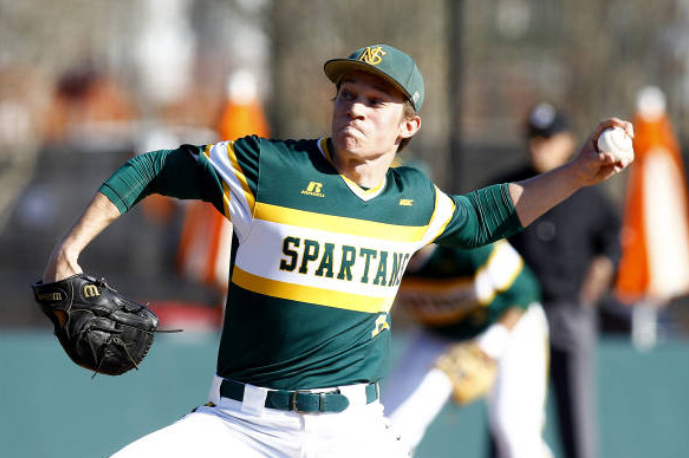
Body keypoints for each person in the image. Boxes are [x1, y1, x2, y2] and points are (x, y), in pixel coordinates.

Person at [40, 45, 633, 457]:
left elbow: (486, 213)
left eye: (376, 101)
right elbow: (155, 167)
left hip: (353, 434)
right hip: (239, 425)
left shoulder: (412, 199)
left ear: (408, 125)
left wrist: (580, 172)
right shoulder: (268, 168)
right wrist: (69, 250)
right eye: (347, 93)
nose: (355, 106)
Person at [491, 103, 623, 458]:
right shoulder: (508, 187)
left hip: (568, 310)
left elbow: (613, 239)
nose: (538, 146)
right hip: (517, 313)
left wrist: (604, 267)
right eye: (534, 138)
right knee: (509, 415)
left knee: (575, 413)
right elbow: (480, 238)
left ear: (566, 142)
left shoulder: (591, 194)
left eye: (547, 138)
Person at [383, 240, 552, 457]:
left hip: (508, 324)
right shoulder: (382, 247)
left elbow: (525, 291)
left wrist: (490, 345)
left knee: (515, 430)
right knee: (392, 427)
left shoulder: (466, 239)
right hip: (438, 331)